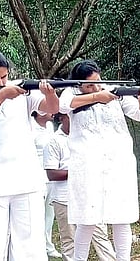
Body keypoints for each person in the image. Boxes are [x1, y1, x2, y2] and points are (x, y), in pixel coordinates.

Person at [59, 60, 140, 261]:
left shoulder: (114, 91)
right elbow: (64, 105)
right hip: (87, 165)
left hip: (118, 164)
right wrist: (97, 97)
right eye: (89, 85)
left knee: (122, 218)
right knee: (87, 219)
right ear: (78, 85)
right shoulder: (71, 92)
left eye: (98, 82)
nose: (96, 87)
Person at [0, 49, 59, 260]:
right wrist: (2, 96)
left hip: (27, 182)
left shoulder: (21, 90)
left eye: (4, 77)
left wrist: (50, 93)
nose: (0, 82)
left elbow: (51, 109)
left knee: (30, 249)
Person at [44, 112, 117, 261]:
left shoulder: (89, 138)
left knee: (100, 236)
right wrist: (79, 171)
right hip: (64, 198)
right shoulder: (54, 141)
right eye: (70, 117)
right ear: (61, 118)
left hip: (91, 195)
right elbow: (52, 174)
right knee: (69, 240)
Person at [31, 111, 63, 259]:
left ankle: (48, 246)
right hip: (35, 176)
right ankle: (34, 246)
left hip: (51, 176)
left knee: (49, 215)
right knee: (35, 215)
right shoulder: (29, 125)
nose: (52, 112)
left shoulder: (50, 126)